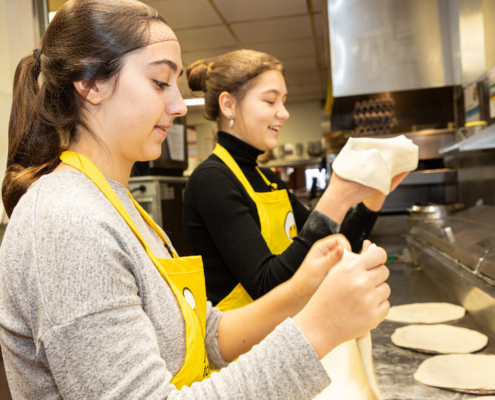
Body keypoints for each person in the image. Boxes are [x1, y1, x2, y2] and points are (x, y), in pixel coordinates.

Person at [0, 0, 390, 398]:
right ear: (91, 83)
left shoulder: (115, 205)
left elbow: (205, 334)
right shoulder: (67, 220)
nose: (176, 106)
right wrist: (322, 328)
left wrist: (301, 289)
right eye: (159, 82)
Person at [184, 51, 407, 309]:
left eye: (284, 101)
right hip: (241, 347)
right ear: (228, 105)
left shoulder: (268, 180)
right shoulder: (212, 180)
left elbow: (339, 246)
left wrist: (374, 197)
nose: (284, 113)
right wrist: (334, 199)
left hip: (282, 336)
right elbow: (267, 286)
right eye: (270, 101)